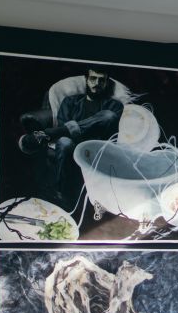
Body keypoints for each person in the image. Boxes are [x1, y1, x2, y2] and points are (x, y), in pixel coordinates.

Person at [18, 67, 124, 209]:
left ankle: (45, 135)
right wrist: (76, 131)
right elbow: (63, 131)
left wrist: (58, 132)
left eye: (101, 80)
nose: (97, 83)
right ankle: (62, 194)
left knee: (108, 116)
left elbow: (110, 132)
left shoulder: (115, 105)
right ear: (86, 80)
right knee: (64, 142)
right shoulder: (70, 101)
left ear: (106, 83)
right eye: (93, 78)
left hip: (97, 147)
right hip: (73, 144)